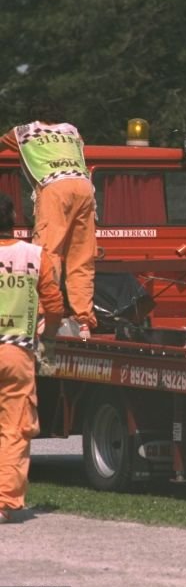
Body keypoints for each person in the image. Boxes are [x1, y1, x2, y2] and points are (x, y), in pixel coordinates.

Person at [1, 102, 96, 338]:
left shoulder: (24, 131)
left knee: (48, 252)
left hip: (54, 188)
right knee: (81, 257)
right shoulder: (71, 130)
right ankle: (83, 321)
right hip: (85, 188)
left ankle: (43, 315)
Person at [0, 193, 63, 524]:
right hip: (16, 353)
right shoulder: (34, 256)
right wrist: (46, 336)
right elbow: (54, 307)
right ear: (13, 217)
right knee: (14, 428)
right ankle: (6, 502)